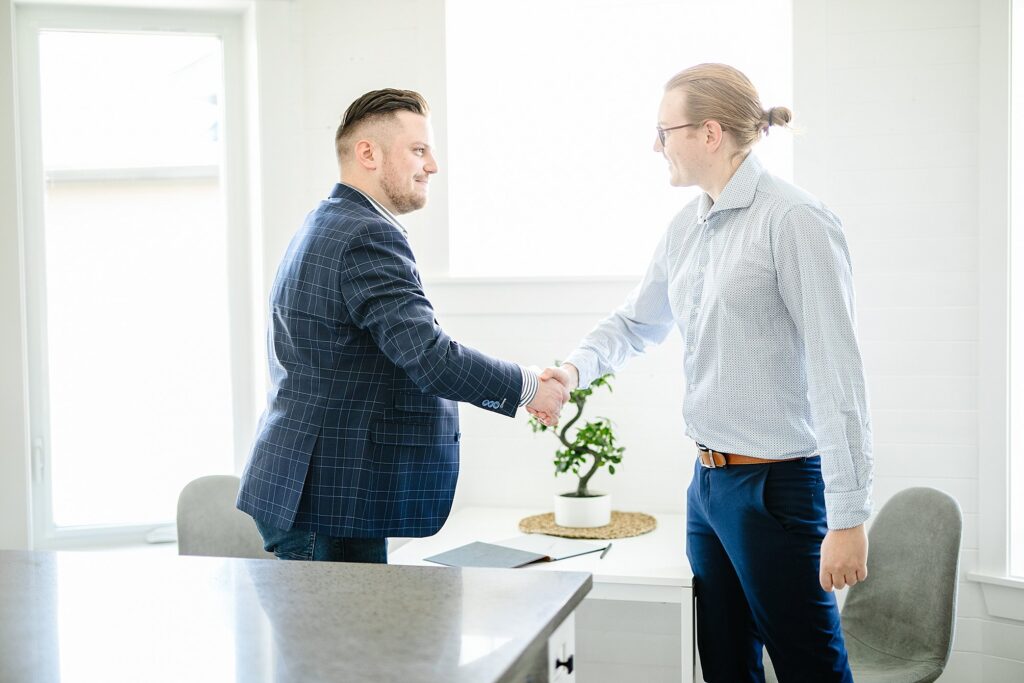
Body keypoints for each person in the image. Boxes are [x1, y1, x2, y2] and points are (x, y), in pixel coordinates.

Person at [541, 64, 873, 682]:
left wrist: (849, 516)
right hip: (709, 487)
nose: (655, 145)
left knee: (810, 668)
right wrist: (571, 369)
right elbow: (638, 323)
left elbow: (838, 371)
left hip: (779, 489)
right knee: (723, 664)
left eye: (664, 130)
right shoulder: (687, 227)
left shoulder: (795, 220)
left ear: (710, 133)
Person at [237, 88, 570, 564]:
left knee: (354, 639)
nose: (432, 165)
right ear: (367, 153)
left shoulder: (330, 221)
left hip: (325, 491)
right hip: (325, 496)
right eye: (419, 150)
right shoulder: (364, 234)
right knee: (341, 641)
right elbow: (430, 357)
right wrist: (526, 387)